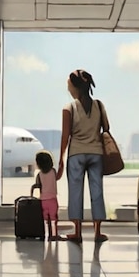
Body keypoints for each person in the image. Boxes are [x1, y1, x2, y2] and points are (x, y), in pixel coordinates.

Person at [59, 69, 109, 243]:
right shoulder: (99, 105)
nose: (68, 89)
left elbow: (65, 136)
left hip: (76, 154)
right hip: (96, 153)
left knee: (75, 191)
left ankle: (77, 231)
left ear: (75, 87)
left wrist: (60, 160)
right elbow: (106, 128)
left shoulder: (69, 108)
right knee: (97, 191)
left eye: (69, 86)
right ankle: (97, 232)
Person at [30, 150, 64, 241]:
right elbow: (58, 177)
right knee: (54, 218)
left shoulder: (39, 175)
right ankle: (55, 234)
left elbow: (37, 185)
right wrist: (62, 167)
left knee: (47, 219)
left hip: (43, 200)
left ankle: (48, 234)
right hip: (52, 199)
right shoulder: (53, 171)